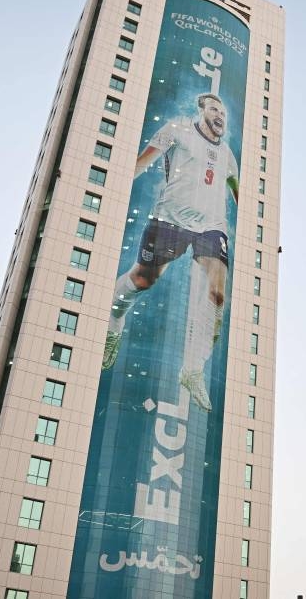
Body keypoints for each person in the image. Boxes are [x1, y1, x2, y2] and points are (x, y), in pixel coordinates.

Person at [102, 93, 239, 412]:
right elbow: (142, 162)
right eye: (214, 108)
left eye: (223, 111)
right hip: (170, 220)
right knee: (143, 279)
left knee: (218, 290)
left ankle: (193, 369)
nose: (220, 114)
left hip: (211, 227)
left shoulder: (228, 157)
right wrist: (110, 187)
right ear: (202, 110)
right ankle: (113, 320)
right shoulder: (177, 129)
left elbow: (240, 195)